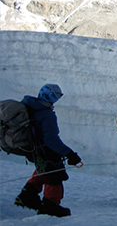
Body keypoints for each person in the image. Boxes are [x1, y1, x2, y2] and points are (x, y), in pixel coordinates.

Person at [14, 84, 82, 217]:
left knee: (43, 169)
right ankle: (51, 206)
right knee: (55, 174)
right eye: (56, 96)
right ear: (50, 96)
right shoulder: (46, 114)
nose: (57, 99)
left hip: (32, 148)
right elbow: (51, 140)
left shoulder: (28, 107)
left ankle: (27, 196)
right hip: (45, 149)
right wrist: (69, 154)